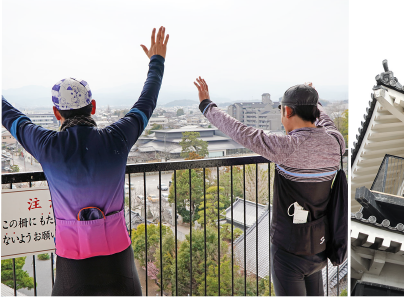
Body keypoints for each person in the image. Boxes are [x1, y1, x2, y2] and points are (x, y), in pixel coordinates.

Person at [1, 26, 169, 297]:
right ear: (92, 107)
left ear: (56, 112)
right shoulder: (117, 137)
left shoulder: (46, 145)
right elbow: (146, 102)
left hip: (72, 262)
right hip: (119, 258)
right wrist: (156, 61)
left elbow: (8, 113)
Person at [193, 78, 345, 297]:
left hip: (289, 251)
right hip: (320, 246)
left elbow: (240, 131)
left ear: (288, 111)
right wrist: (314, 101)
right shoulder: (335, 142)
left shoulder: (286, 146)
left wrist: (207, 105)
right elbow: (326, 122)